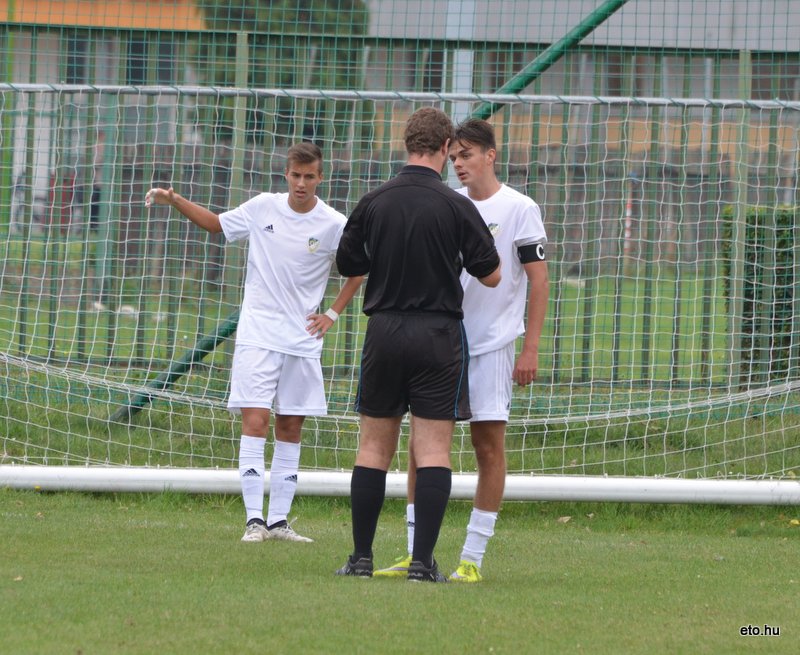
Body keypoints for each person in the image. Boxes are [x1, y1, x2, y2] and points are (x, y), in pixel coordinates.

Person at [145, 142, 363, 543]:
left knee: (291, 425)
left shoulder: (333, 223)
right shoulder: (263, 206)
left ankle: (279, 521)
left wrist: (331, 314)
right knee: (255, 422)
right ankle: (253, 520)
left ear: (321, 177)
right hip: (258, 335)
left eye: (309, 176)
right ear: (286, 175)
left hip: (302, 341)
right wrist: (175, 200)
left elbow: (359, 268)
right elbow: (215, 224)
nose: (301, 183)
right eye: (295, 175)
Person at [373, 118, 549, 582]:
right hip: (440, 341)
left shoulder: (519, 207)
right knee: (420, 448)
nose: (459, 164)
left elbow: (537, 280)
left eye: (467, 155)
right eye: (454, 157)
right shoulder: (444, 204)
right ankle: (417, 554)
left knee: (487, 446)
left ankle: (472, 557)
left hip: (490, 345)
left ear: (491, 155)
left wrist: (529, 347)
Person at [334, 108, 502, 582]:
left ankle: (361, 558)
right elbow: (491, 274)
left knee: (372, 449)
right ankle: (422, 563)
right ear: (447, 147)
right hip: (437, 334)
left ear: (407, 143)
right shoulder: (456, 206)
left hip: (383, 330)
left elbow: (349, 262)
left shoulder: (374, 201)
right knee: (432, 451)